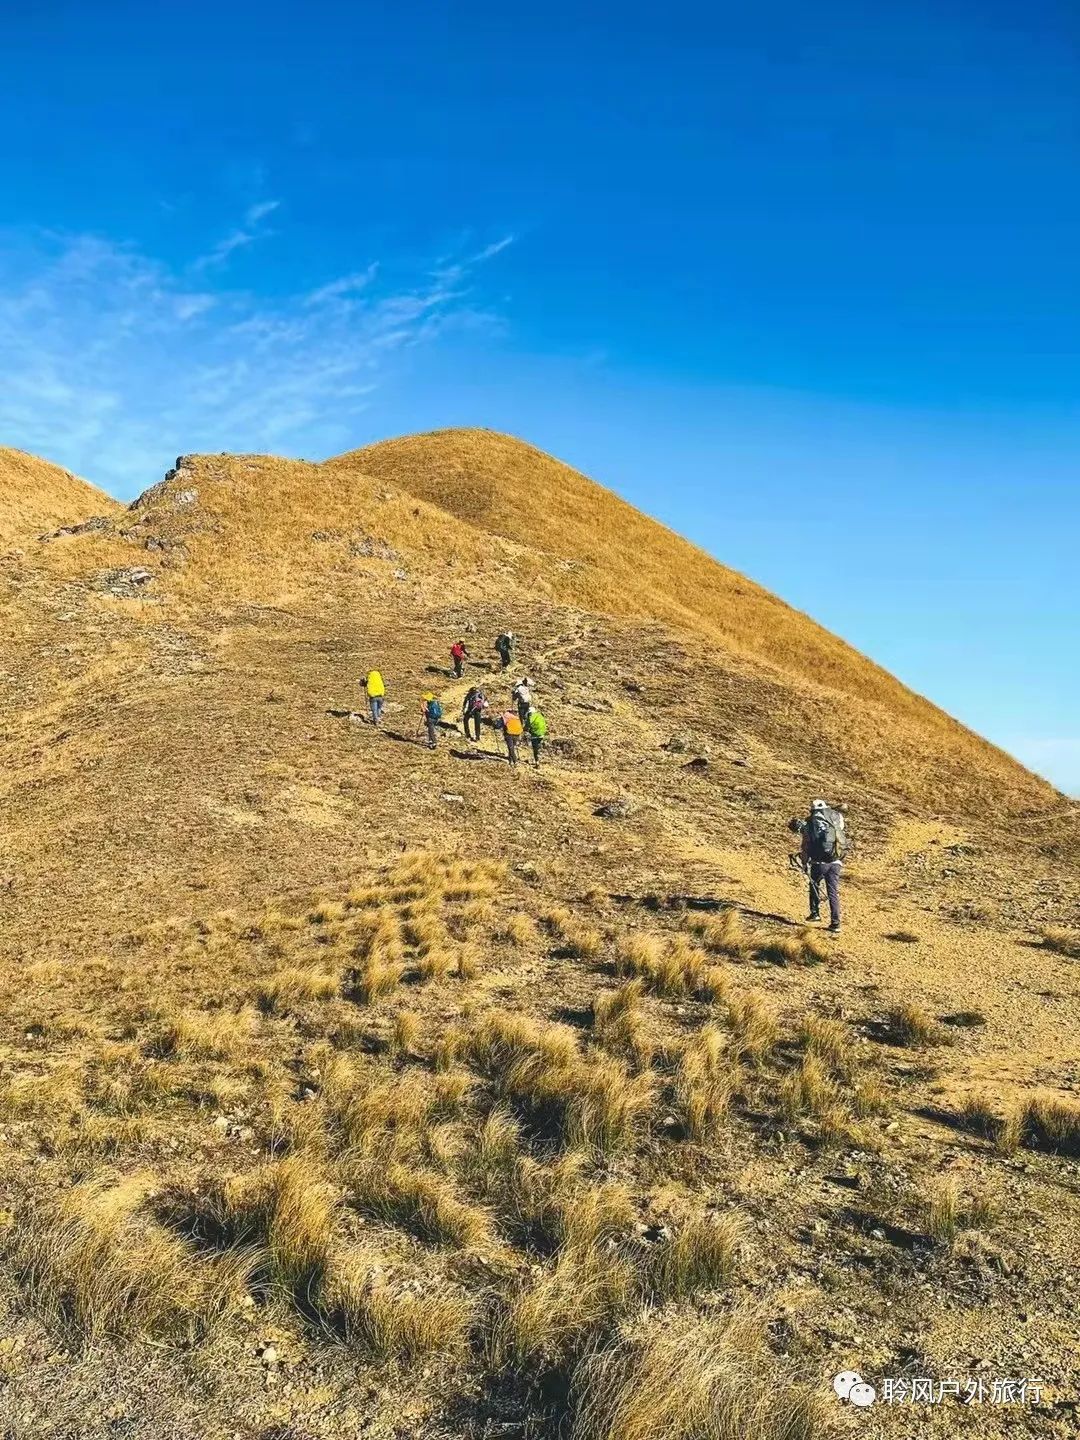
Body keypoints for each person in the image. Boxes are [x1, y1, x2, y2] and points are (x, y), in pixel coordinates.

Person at [796, 799, 847, 933]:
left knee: (814, 885)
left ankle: (815, 913)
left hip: (818, 863)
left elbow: (806, 846)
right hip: (836, 862)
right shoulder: (836, 819)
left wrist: (804, 863)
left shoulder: (810, 824)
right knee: (833, 893)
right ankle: (836, 923)